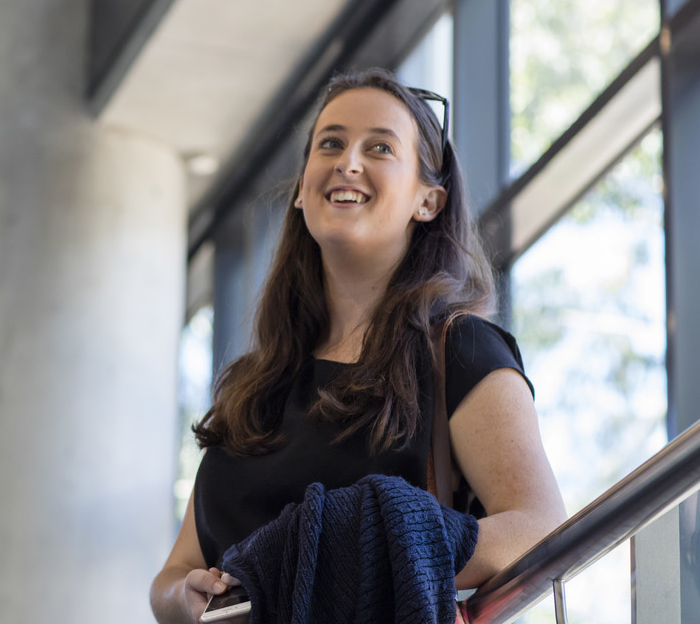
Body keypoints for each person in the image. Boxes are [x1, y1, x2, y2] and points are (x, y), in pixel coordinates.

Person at [150, 69, 567, 623]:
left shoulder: (459, 349)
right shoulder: (253, 382)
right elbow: (174, 574)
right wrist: (185, 598)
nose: (348, 161)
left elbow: (538, 525)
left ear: (429, 202)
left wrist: (371, 556)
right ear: (301, 189)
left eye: (379, 147)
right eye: (331, 143)